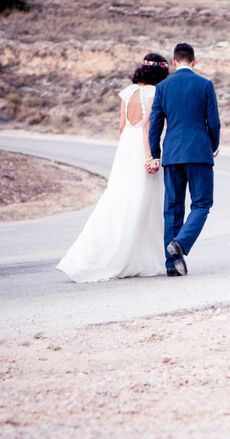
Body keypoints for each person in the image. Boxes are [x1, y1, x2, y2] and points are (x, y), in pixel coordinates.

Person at [57, 53, 169, 282]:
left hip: (126, 148)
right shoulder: (155, 93)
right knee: (143, 202)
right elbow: (147, 127)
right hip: (142, 147)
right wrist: (150, 156)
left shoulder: (127, 93)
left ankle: (92, 254)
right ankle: (136, 257)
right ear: (161, 72)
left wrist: (125, 153)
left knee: (119, 198)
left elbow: (121, 127)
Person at [148, 42, 221, 277]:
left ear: (174, 61)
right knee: (201, 204)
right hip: (199, 152)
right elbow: (214, 122)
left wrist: (155, 153)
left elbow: (155, 124)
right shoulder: (205, 85)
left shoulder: (162, 87)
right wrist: (212, 146)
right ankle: (181, 243)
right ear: (194, 61)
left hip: (172, 154)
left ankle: (172, 265)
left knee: (172, 207)